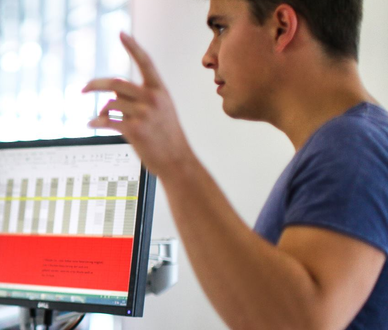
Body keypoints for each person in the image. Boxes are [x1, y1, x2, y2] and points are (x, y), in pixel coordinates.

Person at [83, 0, 386, 328]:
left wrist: (175, 162)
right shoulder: (347, 142)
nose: (208, 57)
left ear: (281, 27)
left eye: (221, 28)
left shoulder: (352, 145)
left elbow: (300, 322)